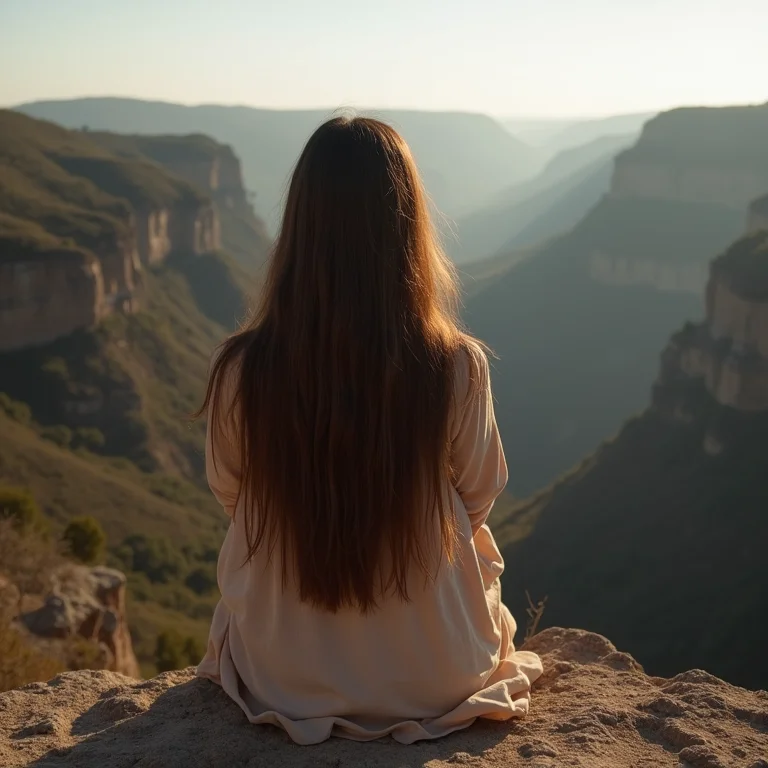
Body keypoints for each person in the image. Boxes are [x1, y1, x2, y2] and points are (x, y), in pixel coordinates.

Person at [196, 115, 543, 745]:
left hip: (286, 676)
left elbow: (232, 492)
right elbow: (480, 494)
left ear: (298, 225)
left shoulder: (242, 370)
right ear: (407, 225)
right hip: (437, 673)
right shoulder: (455, 365)